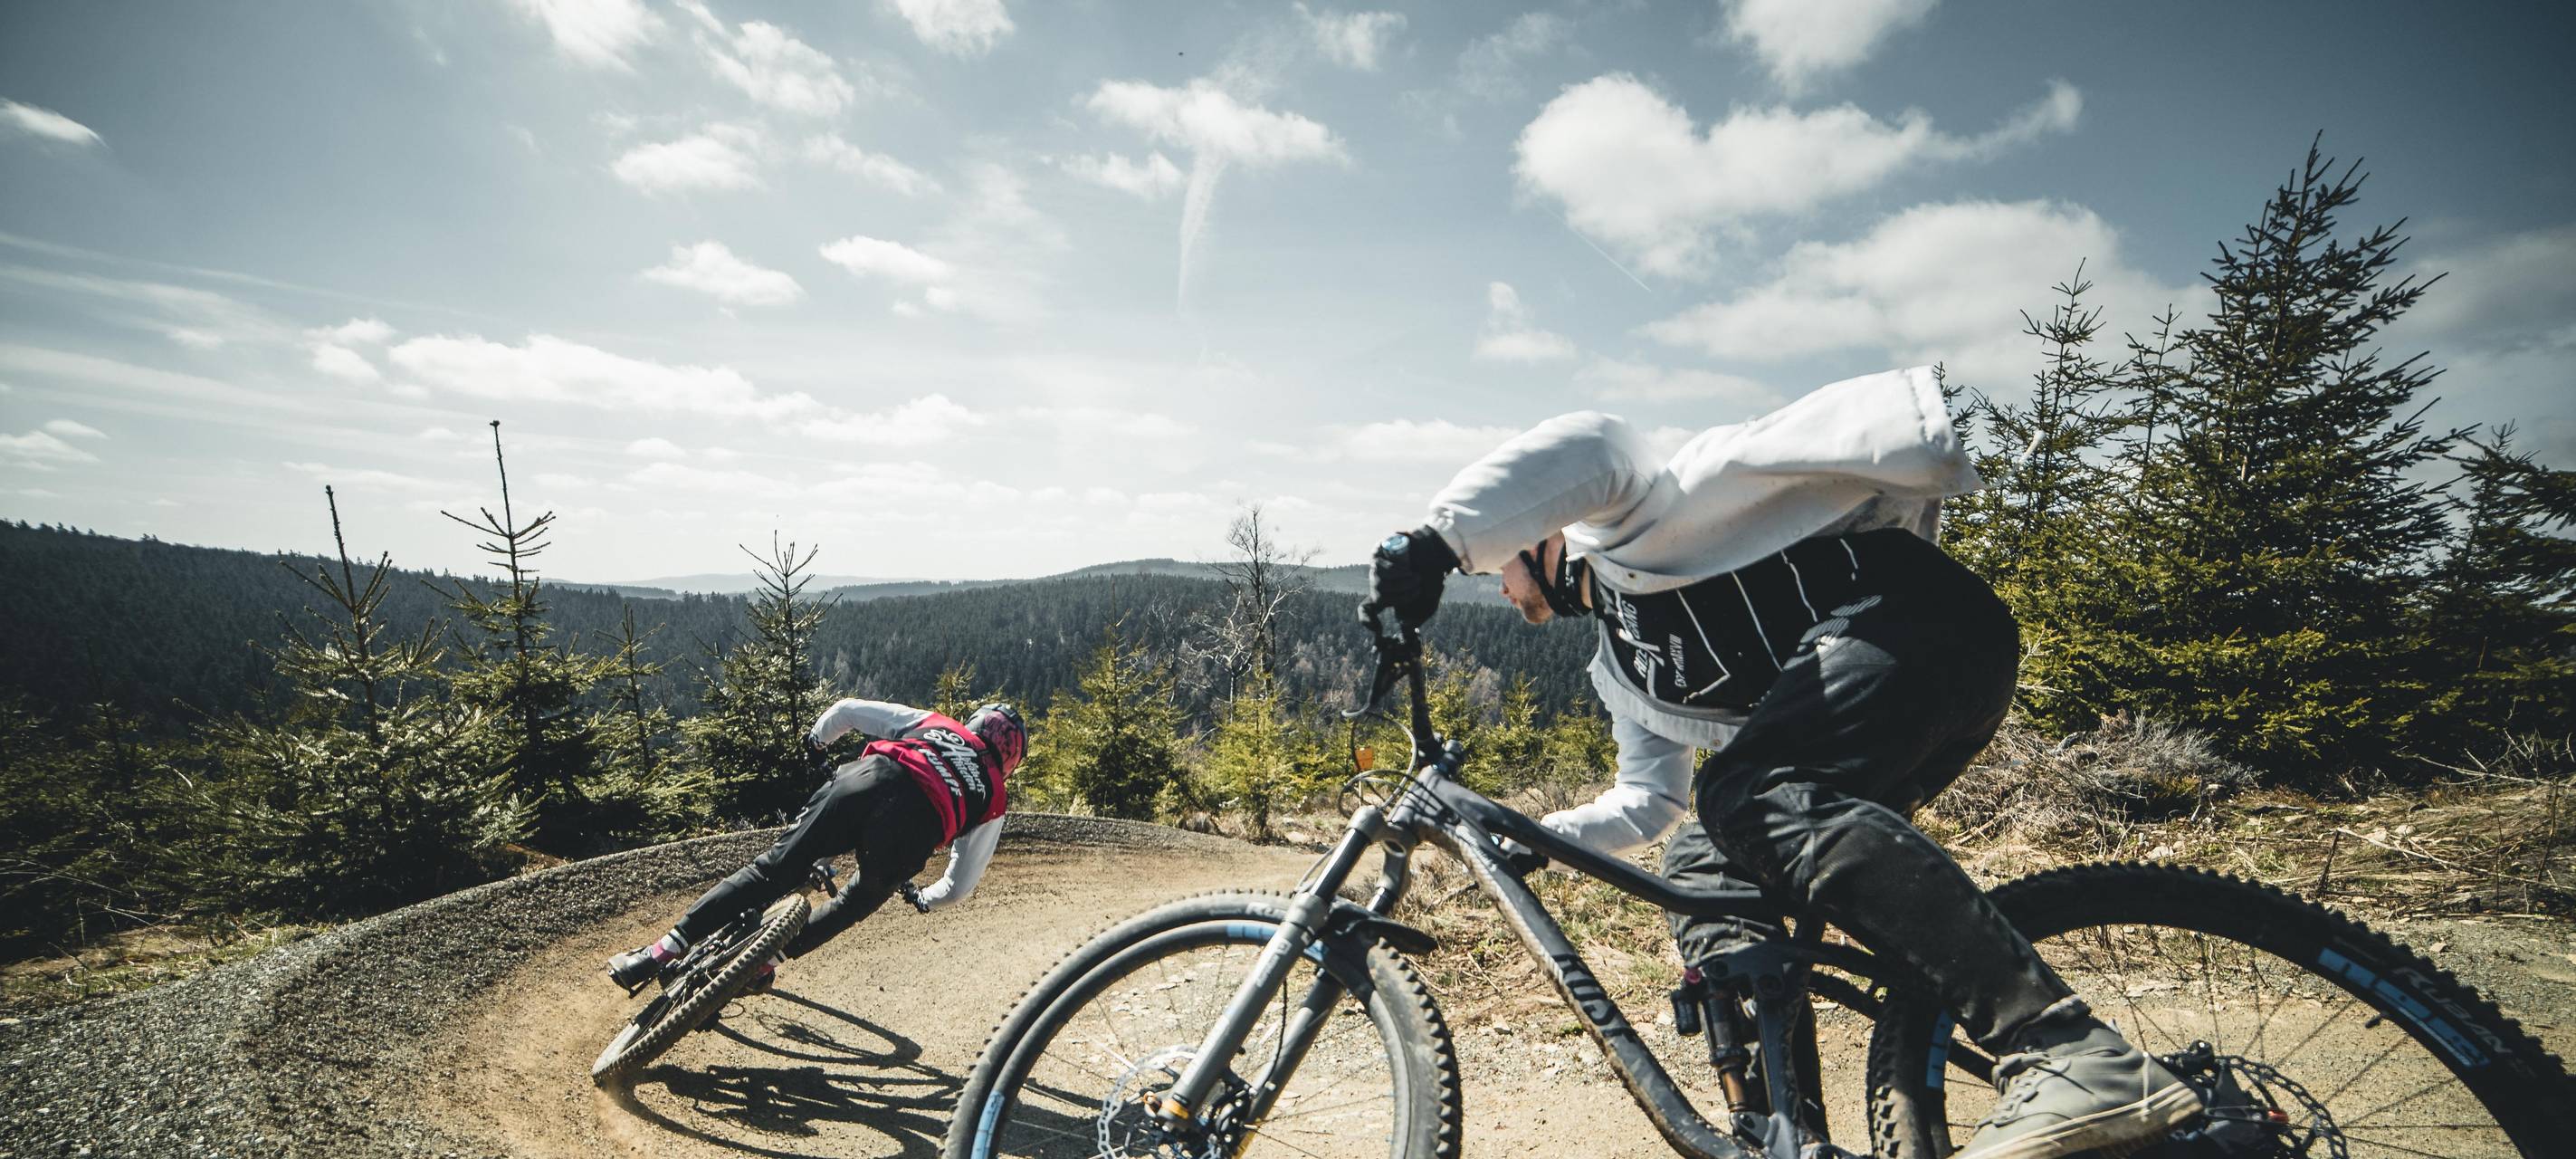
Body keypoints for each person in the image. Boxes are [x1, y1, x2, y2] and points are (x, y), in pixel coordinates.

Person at [1362, 367, 2199, 1159]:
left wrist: (1440, 542)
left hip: (1927, 629)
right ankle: (1785, 1133)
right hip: (1899, 702)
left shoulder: (1631, 518)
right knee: (1705, 855)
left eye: (1494, 560)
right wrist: (1538, 838)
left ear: (1536, 533)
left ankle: (2059, 1045)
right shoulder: (1623, 670)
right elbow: (1647, 804)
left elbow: (1598, 441)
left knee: (1743, 791)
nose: (1494, 583)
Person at [606, 697, 1027, 992]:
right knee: (851, 904)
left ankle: (659, 952)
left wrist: (816, 742)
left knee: (771, 869)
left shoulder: (936, 724)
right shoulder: (994, 797)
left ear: (974, 723)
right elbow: (960, 884)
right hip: (912, 833)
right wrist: (925, 899)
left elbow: (847, 710)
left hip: (867, 781)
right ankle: (762, 964)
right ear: (1011, 762)